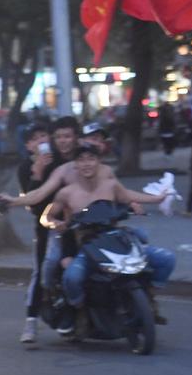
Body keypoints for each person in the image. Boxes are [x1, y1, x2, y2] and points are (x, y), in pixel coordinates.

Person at [43, 142, 173, 335]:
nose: (86, 164)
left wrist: (155, 199)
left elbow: (127, 196)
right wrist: (56, 224)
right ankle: (79, 312)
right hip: (87, 245)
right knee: (72, 277)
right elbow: (46, 216)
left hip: (115, 238)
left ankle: (149, 298)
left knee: (166, 259)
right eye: (81, 160)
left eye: (91, 159)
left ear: (99, 162)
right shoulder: (66, 192)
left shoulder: (110, 184)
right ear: (75, 165)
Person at [16, 122, 53, 344]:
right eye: (35, 138)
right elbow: (30, 203)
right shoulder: (25, 167)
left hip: (72, 223)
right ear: (29, 145)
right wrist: (38, 172)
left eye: (44, 136)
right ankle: (31, 321)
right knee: (41, 271)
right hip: (44, 226)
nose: (41, 141)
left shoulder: (60, 162)